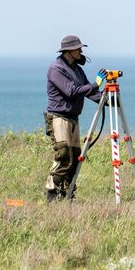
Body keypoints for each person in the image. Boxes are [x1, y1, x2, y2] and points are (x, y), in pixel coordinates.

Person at [44, 35, 102, 202]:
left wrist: (107, 100)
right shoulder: (56, 68)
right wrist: (96, 83)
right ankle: (52, 192)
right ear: (69, 51)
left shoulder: (77, 69)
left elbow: (87, 91)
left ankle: (67, 193)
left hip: (73, 117)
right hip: (59, 117)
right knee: (64, 155)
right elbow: (71, 91)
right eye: (78, 48)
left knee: (75, 158)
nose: (81, 51)